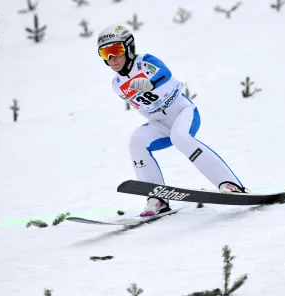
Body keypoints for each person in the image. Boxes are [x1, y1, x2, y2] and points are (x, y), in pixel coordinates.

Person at [97, 24, 248, 217]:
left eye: (116, 50)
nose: (112, 58)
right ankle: (156, 198)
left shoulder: (144, 62)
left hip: (182, 111)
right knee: (136, 141)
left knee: (180, 138)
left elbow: (164, 73)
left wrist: (150, 83)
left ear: (129, 48)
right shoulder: (117, 85)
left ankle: (230, 184)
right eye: (105, 53)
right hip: (158, 121)